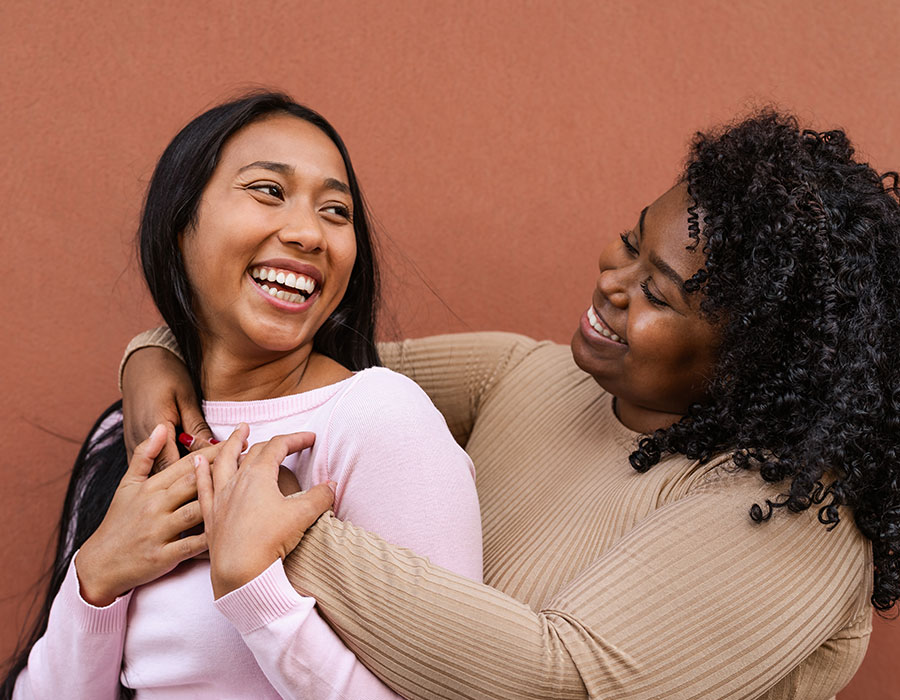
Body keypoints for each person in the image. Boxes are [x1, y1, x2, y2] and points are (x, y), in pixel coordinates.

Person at [116, 109, 899, 699]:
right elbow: (279, 358)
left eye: (656, 291)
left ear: (752, 362)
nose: (611, 281)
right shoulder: (529, 376)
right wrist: (153, 356)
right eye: (630, 240)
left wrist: (285, 535)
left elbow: (558, 679)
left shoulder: (792, 519)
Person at [2, 92, 482, 700]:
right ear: (180, 226)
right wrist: (94, 579)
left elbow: (451, 688)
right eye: (268, 191)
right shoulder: (127, 431)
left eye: (336, 211)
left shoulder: (377, 420)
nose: (309, 232)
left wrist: (257, 591)